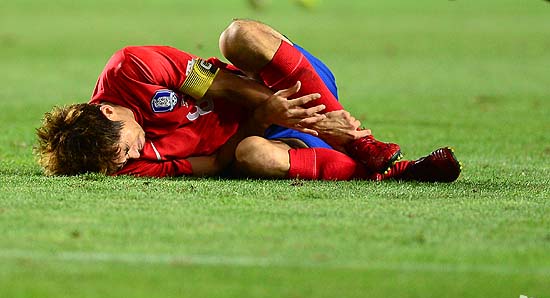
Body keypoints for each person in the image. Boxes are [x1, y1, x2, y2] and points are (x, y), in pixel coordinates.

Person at [36, 19, 461, 182]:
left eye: (124, 146)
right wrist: (263, 119)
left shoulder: (132, 68)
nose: (132, 157)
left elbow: (220, 86)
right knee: (252, 155)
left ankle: (360, 143)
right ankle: (392, 173)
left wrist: (305, 114)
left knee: (238, 36)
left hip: (295, 87)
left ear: (109, 111)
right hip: (268, 124)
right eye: (122, 160)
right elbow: (220, 163)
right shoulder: (124, 165)